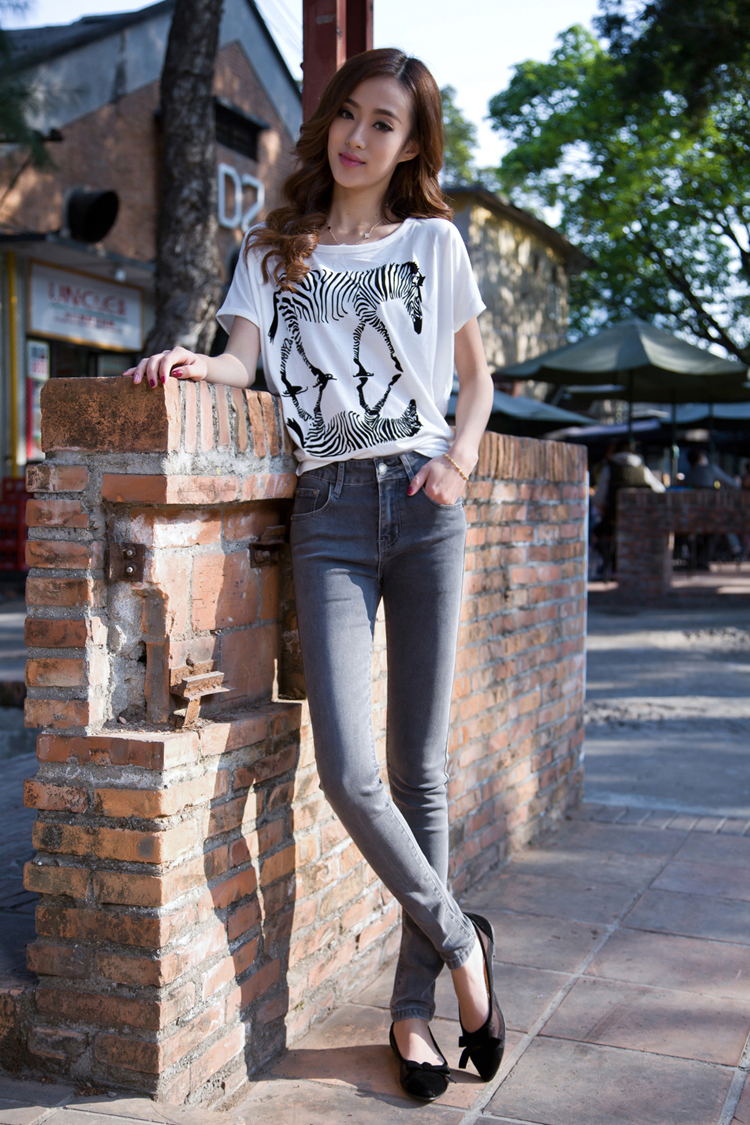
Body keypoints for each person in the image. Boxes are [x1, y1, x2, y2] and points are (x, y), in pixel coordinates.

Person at [124, 48, 501, 1103]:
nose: (357, 137)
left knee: (417, 771)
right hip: (328, 511)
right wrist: (190, 362)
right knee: (347, 768)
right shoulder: (271, 247)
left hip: (424, 506)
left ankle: (412, 1011)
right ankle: (464, 943)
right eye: (348, 114)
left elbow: (478, 382)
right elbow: (243, 364)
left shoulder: (433, 242)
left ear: (411, 147)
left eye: (384, 124)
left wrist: (459, 463)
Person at [591, 438, 665, 579]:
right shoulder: (642, 469)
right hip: (641, 521)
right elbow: (660, 490)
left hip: (614, 520)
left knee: (596, 534)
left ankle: (612, 567)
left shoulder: (609, 468)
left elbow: (598, 499)